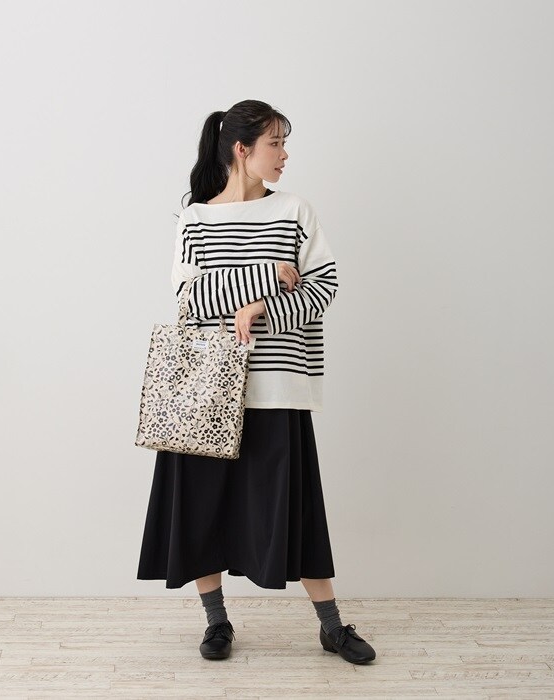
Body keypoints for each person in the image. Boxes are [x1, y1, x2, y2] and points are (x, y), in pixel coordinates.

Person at [137, 99, 376, 665]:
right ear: (243, 150)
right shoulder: (195, 219)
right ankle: (216, 622)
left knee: (297, 512)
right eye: (276, 143)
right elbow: (188, 298)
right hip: (205, 389)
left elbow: (323, 287)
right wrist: (269, 274)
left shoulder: (295, 211)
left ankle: (331, 626)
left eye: (284, 144)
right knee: (200, 512)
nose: (285, 155)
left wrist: (261, 307)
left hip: (277, 385)